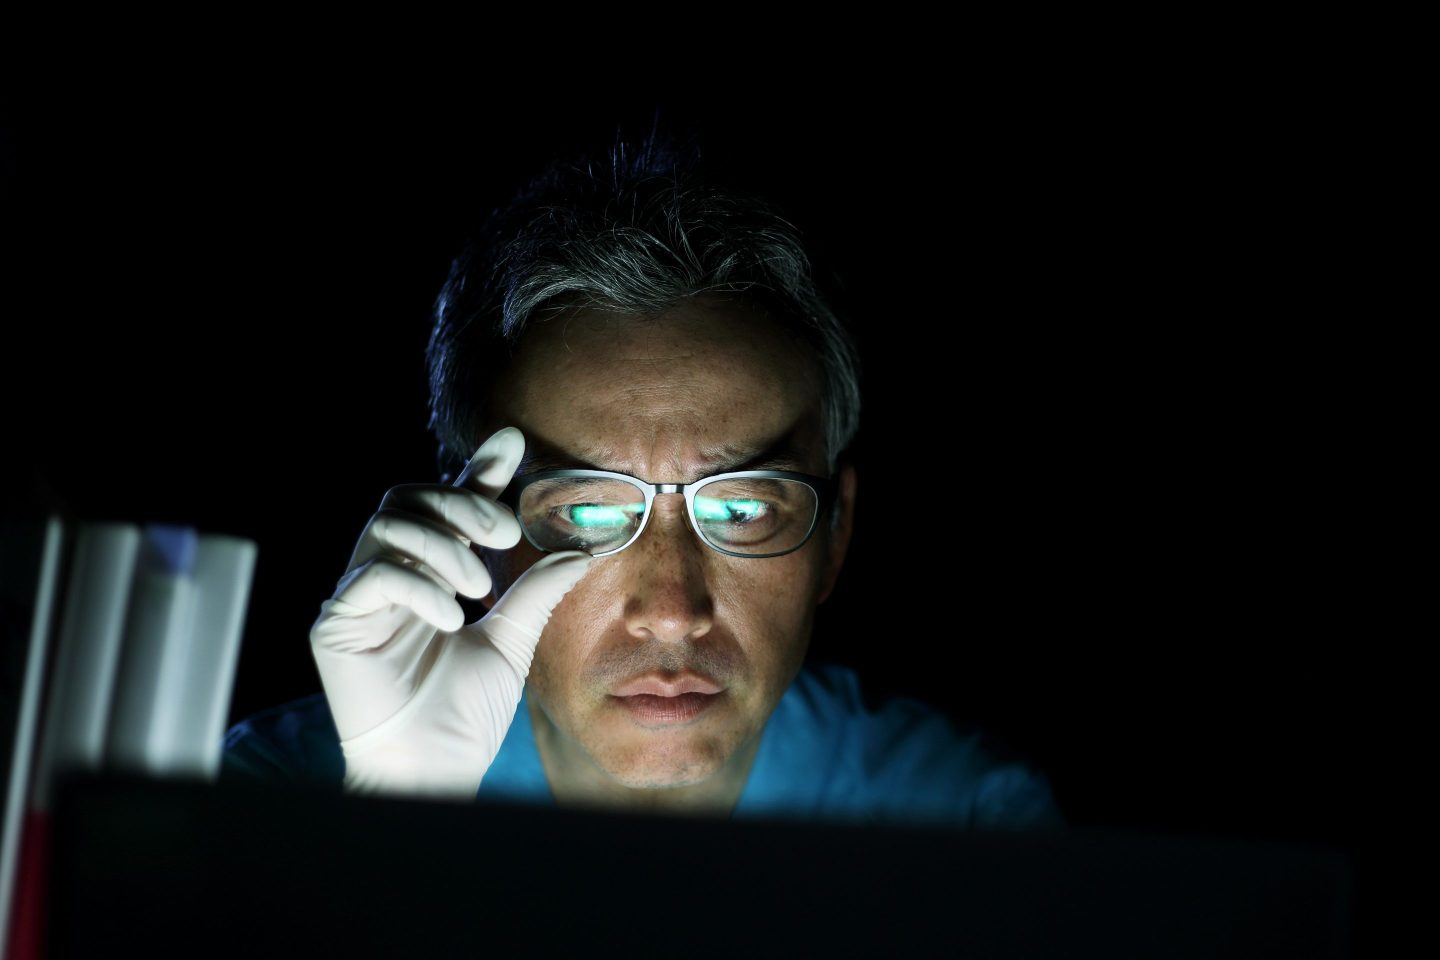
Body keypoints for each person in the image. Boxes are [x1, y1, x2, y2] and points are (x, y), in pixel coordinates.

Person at [220, 122, 1066, 831]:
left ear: (836, 535)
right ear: (469, 534)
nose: (671, 612)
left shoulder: (965, 830)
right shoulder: (266, 802)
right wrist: (394, 820)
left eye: (740, 507)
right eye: (587, 512)